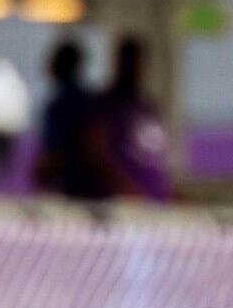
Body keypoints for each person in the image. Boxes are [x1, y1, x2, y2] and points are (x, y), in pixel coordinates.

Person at [88, 36, 172, 202]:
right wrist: (125, 188)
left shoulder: (148, 107)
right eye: (127, 61)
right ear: (118, 62)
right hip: (120, 204)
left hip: (154, 203)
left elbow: (157, 158)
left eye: (136, 62)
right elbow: (96, 151)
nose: (132, 68)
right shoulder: (105, 105)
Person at [33, 40, 101, 199]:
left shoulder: (61, 105)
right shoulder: (88, 100)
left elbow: (56, 152)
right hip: (90, 187)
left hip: (69, 187)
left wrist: (36, 174)